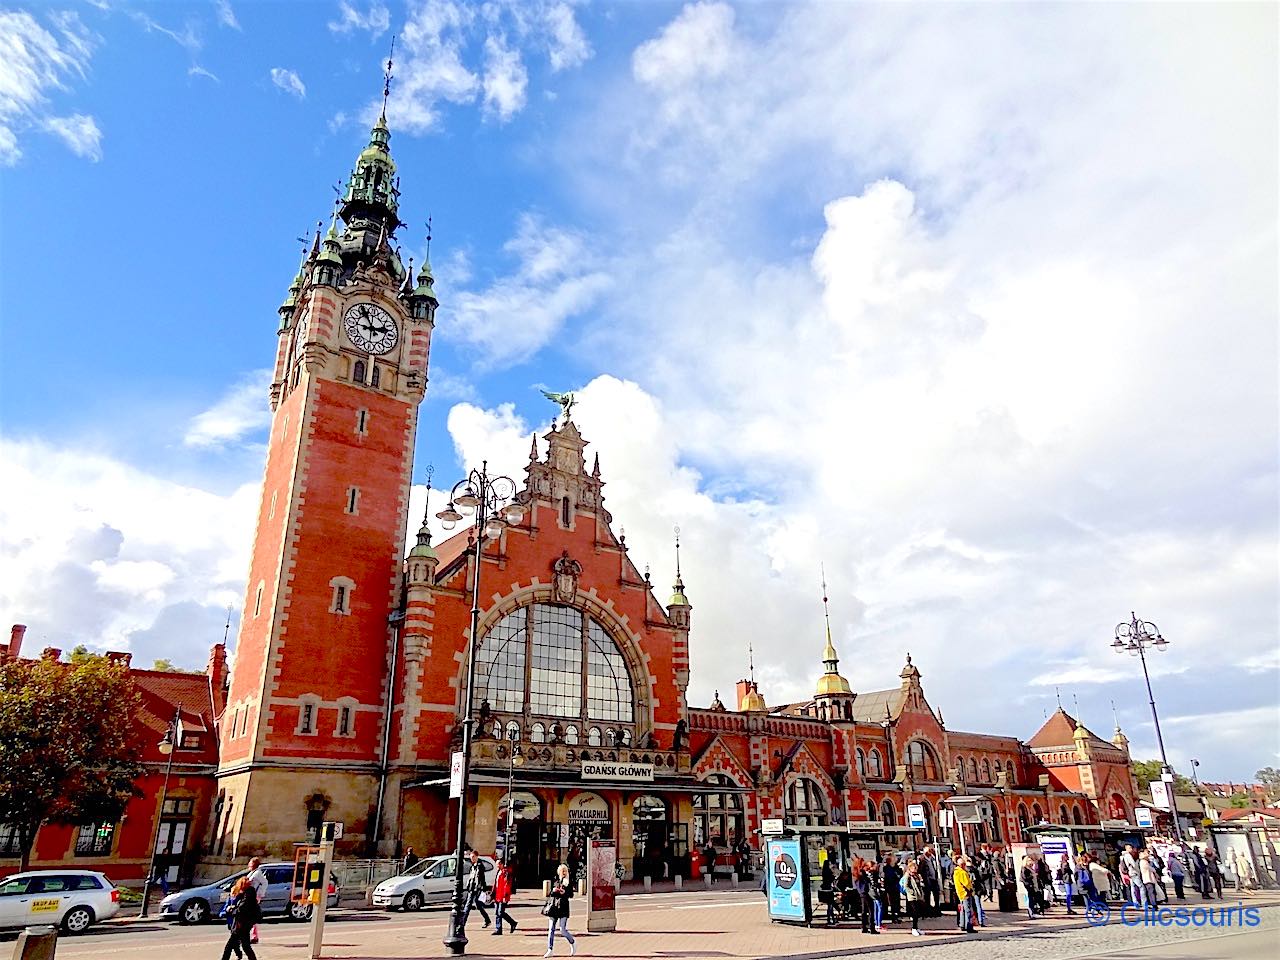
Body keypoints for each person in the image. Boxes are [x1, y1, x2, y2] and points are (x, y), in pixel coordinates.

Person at [221, 878, 260, 960]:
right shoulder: (248, 893)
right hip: (244, 923)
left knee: (230, 945)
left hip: (242, 923)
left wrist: (231, 909)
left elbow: (242, 908)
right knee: (245, 945)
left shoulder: (249, 893)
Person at [544, 863, 576, 957]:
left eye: (565, 871)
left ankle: (573, 942)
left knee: (562, 930)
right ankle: (550, 949)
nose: (563, 873)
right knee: (551, 929)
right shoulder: (556, 881)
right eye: (562, 871)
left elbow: (571, 895)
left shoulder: (568, 882)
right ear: (559, 872)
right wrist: (554, 891)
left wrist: (564, 892)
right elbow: (551, 893)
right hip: (554, 907)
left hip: (563, 907)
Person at [462, 849, 491, 929]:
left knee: (468, 906)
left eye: (473, 857)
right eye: (471, 857)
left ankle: (462, 923)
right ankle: (487, 920)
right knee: (477, 905)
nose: (472, 859)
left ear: (477, 857)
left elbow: (482, 878)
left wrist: (483, 889)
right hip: (472, 888)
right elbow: (471, 877)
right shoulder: (473, 866)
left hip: (477, 888)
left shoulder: (480, 866)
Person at [491, 859, 519, 935]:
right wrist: (493, 894)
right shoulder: (498, 872)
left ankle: (511, 923)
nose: (497, 866)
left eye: (498, 864)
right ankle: (499, 929)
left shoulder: (506, 873)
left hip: (502, 896)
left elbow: (507, 885)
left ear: (502, 864)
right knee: (497, 912)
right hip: (497, 895)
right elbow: (496, 884)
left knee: (500, 912)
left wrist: (505, 896)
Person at [245, 857, 268, 945]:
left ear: (254, 864)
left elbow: (265, 883)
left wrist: (259, 895)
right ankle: (254, 936)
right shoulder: (253, 872)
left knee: (249, 916)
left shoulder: (258, 873)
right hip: (250, 896)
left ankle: (253, 936)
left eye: (250, 863)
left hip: (253, 897)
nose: (248, 865)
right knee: (250, 916)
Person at [953, 855, 975, 934]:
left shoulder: (956, 872)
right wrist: (970, 890)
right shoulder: (962, 872)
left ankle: (962, 924)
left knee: (962, 910)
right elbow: (966, 884)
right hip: (965, 893)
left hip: (960, 893)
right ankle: (969, 926)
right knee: (968, 910)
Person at [854, 861, 878, 934]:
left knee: (864, 911)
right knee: (871, 910)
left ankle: (864, 927)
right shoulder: (864, 874)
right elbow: (869, 883)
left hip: (863, 893)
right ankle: (871, 927)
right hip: (867, 893)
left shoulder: (859, 874)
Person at [904, 860, 926, 937]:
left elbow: (920, 884)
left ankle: (917, 928)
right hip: (912, 897)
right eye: (914, 868)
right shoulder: (908, 876)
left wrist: (921, 880)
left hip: (918, 896)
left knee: (918, 913)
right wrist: (912, 892)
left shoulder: (917, 875)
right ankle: (913, 928)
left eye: (916, 868)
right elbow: (906, 886)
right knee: (914, 912)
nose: (915, 869)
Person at [881, 853, 902, 923]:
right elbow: (887, 878)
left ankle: (896, 916)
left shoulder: (897, 868)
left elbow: (899, 876)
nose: (896, 860)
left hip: (896, 887)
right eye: (894, 858)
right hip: (889, 887)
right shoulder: (886, 868)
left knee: (897, 902)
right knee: (892, 902)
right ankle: (893, 916)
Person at [819, 858, 838, 926]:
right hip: (829, 890)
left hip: (824, 889)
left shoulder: (824, 871)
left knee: (830, 905)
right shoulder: (829, 872)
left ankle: (830, 918)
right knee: (831, 905)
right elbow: (832, 878)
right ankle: (831, 918)